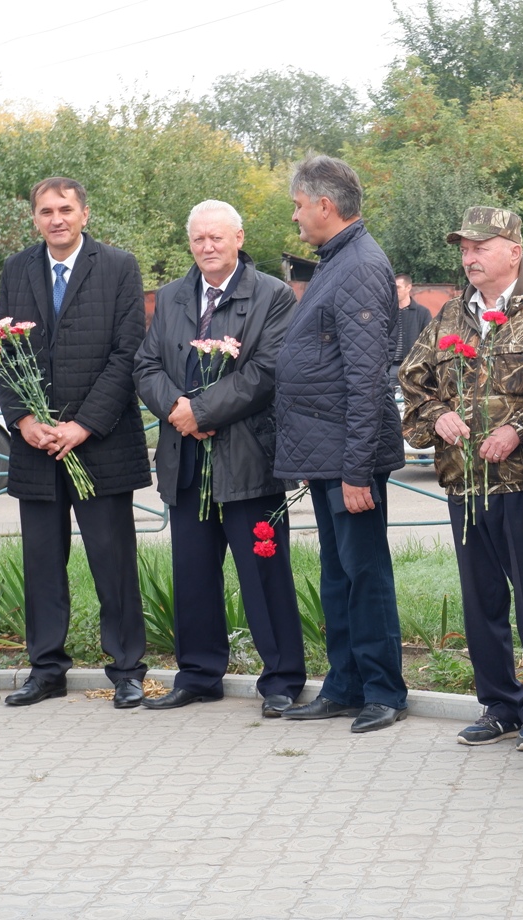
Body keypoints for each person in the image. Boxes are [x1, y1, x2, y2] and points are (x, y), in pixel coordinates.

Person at [133, 200, 306, 717]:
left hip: (248, 462)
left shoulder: (272, 296)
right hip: (186, 463)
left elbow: (268, 371)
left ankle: (281, 679)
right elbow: (145, 365)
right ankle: (199, 674)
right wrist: (177, 410)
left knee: (264, 577)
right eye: (198, 239)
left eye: (217, 238)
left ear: (238, 237)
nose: (207, 247)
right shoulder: (170, 297)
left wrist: (203, 410)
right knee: (193, 575)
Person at [399, 206, 523, 749]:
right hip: (465, 484)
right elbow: (414, 384)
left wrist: (519, 427)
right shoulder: (448, 316)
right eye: (464, 249)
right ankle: (499, 706)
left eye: (481, 247)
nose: (469, 257)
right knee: (481, 602)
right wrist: (435, 417)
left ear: (514, 250)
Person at [0, 177, 150, 710]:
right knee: (41, 563)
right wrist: (22, 419)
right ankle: (46, 669)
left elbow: (128, 353)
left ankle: (127, 669)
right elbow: (2, 349)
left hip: (100, 445)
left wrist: (82, 425)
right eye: (45, 211)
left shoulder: (118, 266)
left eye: (65, 209)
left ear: (85, 213)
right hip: (36, 449)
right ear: (34, 218)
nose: (56, 219)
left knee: (113, 563)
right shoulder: (17, 269)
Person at [272, 155, 408, 733]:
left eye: (299, 206)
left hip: (349, 460)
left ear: (325, 205)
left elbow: (367, 376)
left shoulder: (357, 265)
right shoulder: (338, 259)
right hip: (326, 454)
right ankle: (345, 684)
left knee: (365, 572)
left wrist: (356, 470)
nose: (296, 217)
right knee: (338, 574)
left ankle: (383, 691)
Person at [392, 272, 431, 388]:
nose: (394, 291)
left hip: (413, 367)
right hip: (391, 367)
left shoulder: (422, 313)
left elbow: (429, 341)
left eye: (398, 287)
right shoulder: (388, 313)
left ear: (408, 287)